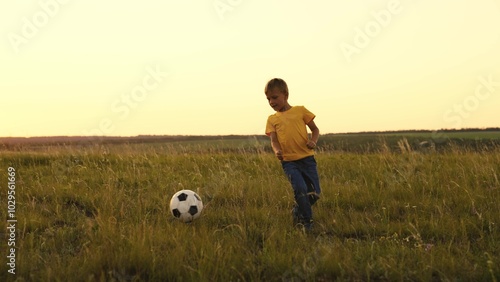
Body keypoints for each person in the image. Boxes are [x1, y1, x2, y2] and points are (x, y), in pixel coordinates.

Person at [264, 78, 321, 231]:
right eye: (268, 99)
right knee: (300, 189)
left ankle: (298, 209)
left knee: (315, 193)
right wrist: (277, 151)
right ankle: (307, 222)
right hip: (289, 162)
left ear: (285, 95)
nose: (271, 102)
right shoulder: (272, 119)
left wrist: (313, 142)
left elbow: (315, 130)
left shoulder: (300, 111)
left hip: (307, 160)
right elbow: (274, 141)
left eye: (274, 97)